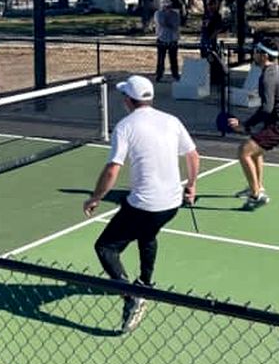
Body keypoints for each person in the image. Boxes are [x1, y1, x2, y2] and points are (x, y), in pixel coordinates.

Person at [84, 75, 199, 334]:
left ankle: (132, 295)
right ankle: (145, 283)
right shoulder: (172, 120)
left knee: (105, 248)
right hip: (171, 204)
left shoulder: (125, 127)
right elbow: (193, 155)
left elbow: (113, 169)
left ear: (128, 100)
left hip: (144, 205)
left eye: (124, 95)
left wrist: (95, 197)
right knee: (147, 234)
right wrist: (191, 185)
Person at [225, 36, 279, 209]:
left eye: (256, 52)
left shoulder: (268, 77)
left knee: (244, 151)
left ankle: (256, 196)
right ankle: (256, 186)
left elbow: (266, 108)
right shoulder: (275, 72)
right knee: (255, 151)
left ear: (264, 55)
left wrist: (245, 125)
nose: (253, 55)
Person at [199, 0, 227, 86]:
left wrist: (211, 38)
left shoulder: (217, 16)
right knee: (204, 59)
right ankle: (206, 78)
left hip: (211, 40)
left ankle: (215, 79)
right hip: (204, 39)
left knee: (212, 59)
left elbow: (218, 29)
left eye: (212, 5)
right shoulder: (206, 15)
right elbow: (203, 26)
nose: (210, 7)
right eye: (209, 5)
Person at [153, 0, 182, 82]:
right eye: (165, 6)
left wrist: (169, 22)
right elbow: (162, 23)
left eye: (168, 6)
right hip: (161, 38)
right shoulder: (158, 13)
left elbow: (175, 25)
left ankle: (175, 74)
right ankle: (159, 75)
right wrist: (168, 21)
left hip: (173, 39)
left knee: (173, 59)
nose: (167, 8)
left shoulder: (175, 14)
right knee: (161, 59)